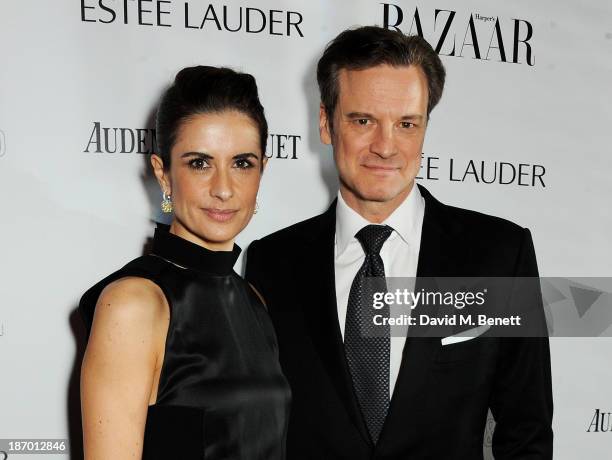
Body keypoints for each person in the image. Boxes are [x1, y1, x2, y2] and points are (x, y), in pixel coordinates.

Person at [245, 26, 553, 459]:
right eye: (363, 120)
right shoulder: (272, 262)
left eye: (407, 123)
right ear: (326, 123)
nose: (385, 147)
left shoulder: (499, 254)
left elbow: (527, 432)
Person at [79, 66, 290, 460]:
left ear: (263, 170)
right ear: (163, 174)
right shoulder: (134, 304)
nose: (224, 188)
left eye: (242, 163)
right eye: (199, 163)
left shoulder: (253, 300)